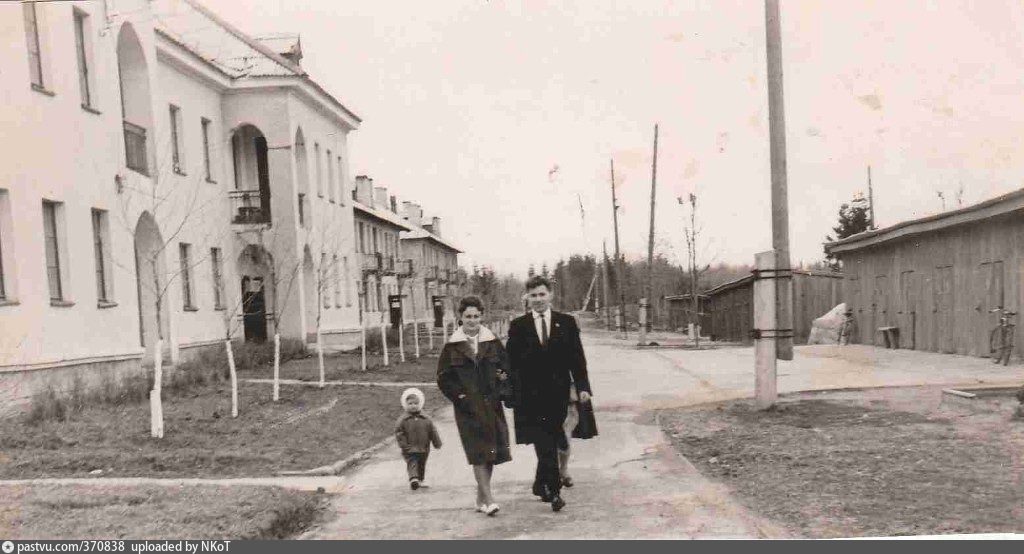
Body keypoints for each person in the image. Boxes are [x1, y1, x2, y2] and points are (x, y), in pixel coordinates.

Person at [507, 275, 592, 512]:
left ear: (550, 295)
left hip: (559, 394)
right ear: (527, 298)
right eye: (533, 295)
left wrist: (583, 387)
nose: (538, 300)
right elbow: (511, 364)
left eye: (542, 294)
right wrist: (511, 393)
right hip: (530, 396)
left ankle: (539, 483)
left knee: (554, 439)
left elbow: (578, 358)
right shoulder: (518, 326)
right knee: (545, 441)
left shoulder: (566, 323)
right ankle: (554, 492)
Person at [436, 296, 512, 516]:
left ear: (482, 317)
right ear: (460, 317)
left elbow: (506, 370)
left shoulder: (492, 342)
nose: (472, 321)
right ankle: (489, 500)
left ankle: (481, 497)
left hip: (492, 406)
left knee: (491, 453)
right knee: (478, 453)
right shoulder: (452, 346)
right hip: (468, 408)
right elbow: (443, 378)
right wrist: (460, 397)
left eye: (476, 316)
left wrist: (502, 390)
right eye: (468, 316)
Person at [395, 387, 442, 490]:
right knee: (412, 462)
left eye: (415, 403)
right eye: (410, 404)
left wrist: (437, 442)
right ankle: (413, 479)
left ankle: (420, 480)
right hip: (409, 448)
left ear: (420, 404)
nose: (413, 406)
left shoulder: (426, 419)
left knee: (421, 463)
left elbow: (432, 431)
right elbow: (399, 433)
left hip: (423, 447)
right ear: (405, 404)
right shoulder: (403, 420)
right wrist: (404, 445)